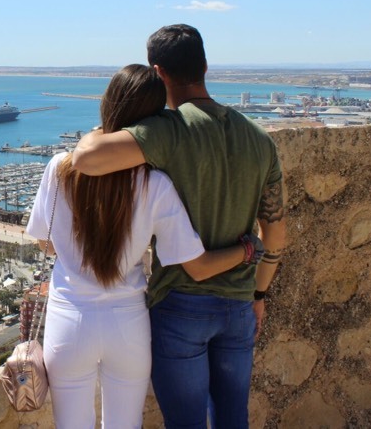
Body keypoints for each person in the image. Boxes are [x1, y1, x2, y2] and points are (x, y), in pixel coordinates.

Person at [72, 25, 287, 428]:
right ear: (205, 66)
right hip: (240, 301)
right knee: (233, 419)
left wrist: (115, 120)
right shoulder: (260, 139)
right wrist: (259, 292)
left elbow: (86, 159)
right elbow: (275, 233)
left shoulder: (168, 131)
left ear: (158, 72)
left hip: (181, 304)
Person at [26, 64, 263, 429]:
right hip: (128, 323)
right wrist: (247, 251)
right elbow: (196, 265)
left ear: (107, 103)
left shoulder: (60, 167)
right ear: (153, 121)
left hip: (69, 319)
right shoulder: (156, 184)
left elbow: (46, 242)